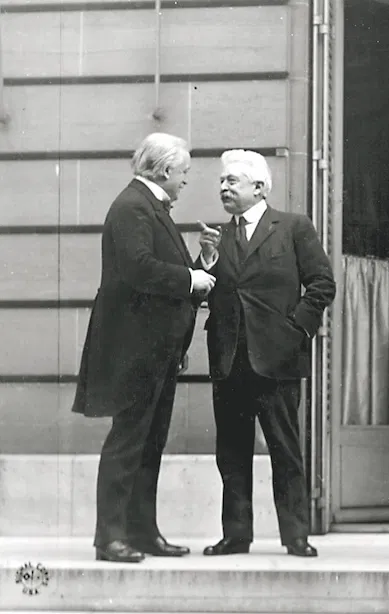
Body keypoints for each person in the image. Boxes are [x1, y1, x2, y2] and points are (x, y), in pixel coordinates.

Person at [72, 133, 217, 563]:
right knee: (129, 441)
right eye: (184, 173)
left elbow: (153, 272)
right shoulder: (134, 206)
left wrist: (200, 263)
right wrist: (192, 280)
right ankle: (111, 538)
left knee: (147, 443)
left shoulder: (143, 206)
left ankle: (139, 533)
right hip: (136, 350)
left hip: (152, 349)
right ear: (166, 170)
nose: (186, 181)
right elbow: (139, 269)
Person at [198, 149, 335, 557]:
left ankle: (296, 536)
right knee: (231, 453)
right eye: (222, 181)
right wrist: (206, 260)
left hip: (276, 361)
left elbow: (322, 283)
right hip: (229, 361)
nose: (223, 187)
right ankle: (236, 535)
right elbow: (204, 288)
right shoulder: (217, 237)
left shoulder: (292, 227)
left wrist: (296, 330)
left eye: (232, 181)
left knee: (285, 450)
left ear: (258, 188)